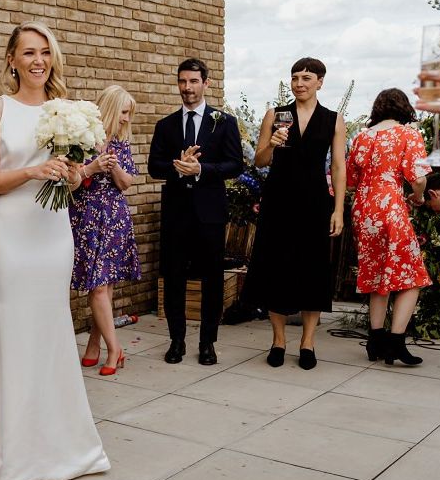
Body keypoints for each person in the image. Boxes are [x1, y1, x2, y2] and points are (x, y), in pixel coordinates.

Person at [0, 21, 110, 480]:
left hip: (52, 233)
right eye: (28, 52)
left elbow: (73, 179)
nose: (37, 61)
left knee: (50, 331)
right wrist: (31, 171)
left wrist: (71, 175)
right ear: (11, 59)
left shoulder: (69, 111)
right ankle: (8, 447)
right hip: (10, 235)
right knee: (12, 332)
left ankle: (60, 443)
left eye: (45, 52)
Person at [242, 57, 346, 370]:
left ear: (320, 82)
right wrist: (272, 144)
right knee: (276, 268)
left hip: (315, 201)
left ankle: (308, 342)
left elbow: (339, 166)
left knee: (312, 270)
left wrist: (339, 208)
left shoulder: (332, 119)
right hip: (279, 201)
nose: (299, 83)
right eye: (295, 77)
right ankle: (277, 340)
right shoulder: (276, 114)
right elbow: (259, 161)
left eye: (306, 78)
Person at [147, 58, 243, 366]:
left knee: (212, 279)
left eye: (193, 82)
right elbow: (153, 167)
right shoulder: (166, 125)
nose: (187, 88)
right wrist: (179, 167)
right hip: (176, 215)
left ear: (205, 83)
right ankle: (176, 341)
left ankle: (207, 342)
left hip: (210, 214)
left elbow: (235, 165)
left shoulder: (224, 122)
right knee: (173, 278)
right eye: (182, 82)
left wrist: (201, 168)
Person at [346, 88, 430, 365]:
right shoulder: (408, 134)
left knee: (376, 273)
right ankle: (395, 342)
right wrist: (417, 198)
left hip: (363, 208)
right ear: (404, 108)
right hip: (390, 205)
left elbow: (348, 180)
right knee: (412, 275)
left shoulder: (361, 136)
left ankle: (375, 340)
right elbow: (417, 178)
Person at [71, 85, 141, 376]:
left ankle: (112, 349)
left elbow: (126, 183)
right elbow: (72, 178)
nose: (126, 119)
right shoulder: (83, 140)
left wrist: (111, 167)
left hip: (112, 217)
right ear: (111, 109)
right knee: (99, 285)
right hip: (85, 216)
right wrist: (94, 165)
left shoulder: (121, 145)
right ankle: (94, 344)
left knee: (102, 286)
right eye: (124, 112)